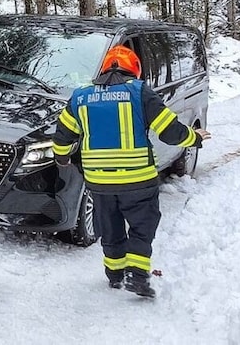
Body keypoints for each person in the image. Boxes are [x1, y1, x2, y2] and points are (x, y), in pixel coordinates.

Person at [52, 45, 211, 298]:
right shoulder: (139, 93)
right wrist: (194, 137)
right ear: (133, 69)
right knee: (142, 226)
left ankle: (115, 276)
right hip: (137, 180)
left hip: (99, 182)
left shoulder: (80, 97)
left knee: (110, 226)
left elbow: (63, 137)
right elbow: (169, 131)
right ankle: (137, 276)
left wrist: (62, 159)